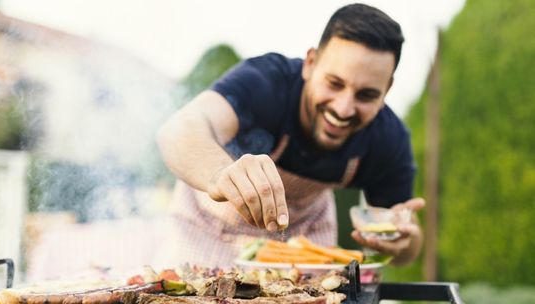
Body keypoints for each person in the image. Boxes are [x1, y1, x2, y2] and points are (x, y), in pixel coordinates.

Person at [156, 3, 425, 268]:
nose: (343, 109)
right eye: (334, 83)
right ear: (310, 64)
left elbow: (406, 250)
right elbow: (179, 130)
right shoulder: (266, 82)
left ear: (387, 89)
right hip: (208, 231)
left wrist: (403, 242)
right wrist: (219, 175)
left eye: (366, 95)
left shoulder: (388, 138)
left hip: (303, 243)